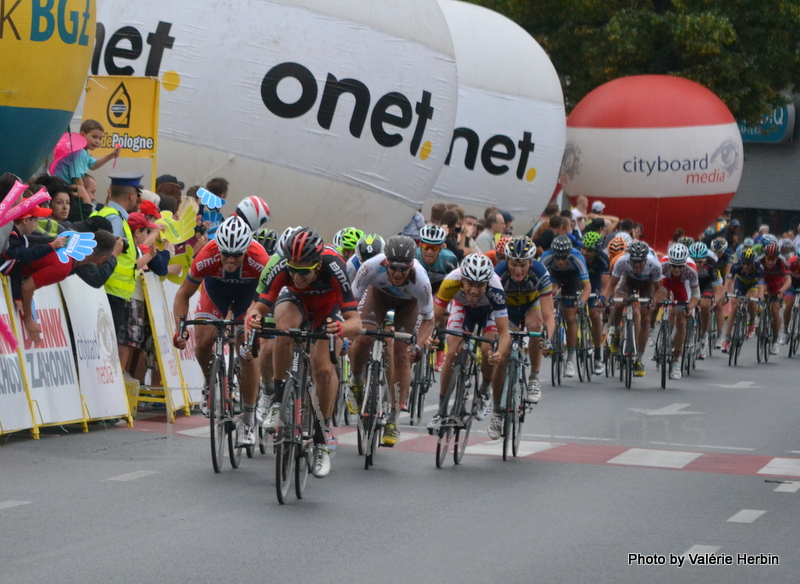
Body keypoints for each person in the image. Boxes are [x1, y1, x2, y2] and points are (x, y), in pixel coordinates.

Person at [247, 227, 361, 478]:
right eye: (293, 269)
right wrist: (255, 318)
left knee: (322, 369)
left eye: (304, 271)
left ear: (318, 265)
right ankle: (278, 401)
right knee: (284, 329)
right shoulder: (283, 267)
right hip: (295, 301)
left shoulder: (334, 266)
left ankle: (320, 441)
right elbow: (260, 306)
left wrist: (340, 327)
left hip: (327, 311)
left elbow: (356, 323)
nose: (297, 275)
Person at [173, 216, 268, 447]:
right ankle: (210, 382)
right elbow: (182, 295)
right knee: (204, 341)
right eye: (225, 253)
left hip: (249, 295)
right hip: (216, 292)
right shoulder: (207, 255)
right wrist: (181, 330)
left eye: (236, 255)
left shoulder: (259, 259)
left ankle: (247, 419)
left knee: (246, 351)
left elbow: (269, 297)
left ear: (246, 250)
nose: (230, 259)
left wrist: (257, 325)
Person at [348, 235, 435, 446]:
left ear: (411, 265)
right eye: (393, 268)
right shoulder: (370, 267)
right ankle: (356, 382)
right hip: (377, 296)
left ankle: (393, 420)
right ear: (385, 262)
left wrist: (418, 345)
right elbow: (349, 305)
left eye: (403, 269)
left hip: (408, 305)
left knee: (403, 354)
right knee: (364, 336)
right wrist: (348, 331)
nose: (397, 273)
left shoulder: (421, 280)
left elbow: (429, 320)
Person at [427, 254, 510, 440]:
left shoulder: (496, 288)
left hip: (488, 313)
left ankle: (484, 390)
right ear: (462, 279)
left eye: (480, 285)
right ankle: (441, 411)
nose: (474, 290)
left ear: (487, 283)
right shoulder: (451, 281)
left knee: (488, 350)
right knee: (453, 352)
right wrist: (427, 338)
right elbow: (433, 318)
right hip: (462, 308)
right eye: (470, 284)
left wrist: (499, 352)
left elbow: (505, 333)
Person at [20, 230, 117, 344]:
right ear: (102, 258)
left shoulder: (68, 237)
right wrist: (28, 320)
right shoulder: (63, 266)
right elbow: (26, 288)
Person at [494, 236, 554, 403]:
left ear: (531, 263)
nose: (518, 270)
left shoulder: (540, 273)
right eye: (513, 264)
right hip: (507, 308)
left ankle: (534, 378)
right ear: (506, 261)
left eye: (523, 265)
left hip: (530, 305)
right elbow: (491, 310)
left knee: (535, 326)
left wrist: (546, 339)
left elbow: (549, 315)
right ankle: (496, 408)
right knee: (503, 351)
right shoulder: (498, 274)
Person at [89, 173, 143, 334]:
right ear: (132, 196)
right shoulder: (115, 218)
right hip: (111, 292)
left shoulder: (103, 213)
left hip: (104, 288)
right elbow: (114, 246)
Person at [603, 240, 662, 377]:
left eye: (640, 261)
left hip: (647, 284)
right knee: (618, 304)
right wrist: (605, 300)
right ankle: (616, 333)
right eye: (634, 261)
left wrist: (653, 302)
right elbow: (611, 286)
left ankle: (639, 360)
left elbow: (659, 289)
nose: (636, 264)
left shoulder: (654, 265)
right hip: (628, 281)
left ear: (645, 259)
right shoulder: (622, 262)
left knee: (646, 317)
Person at [539, 235, 591, 377]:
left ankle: (570, 359)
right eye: (558, 259)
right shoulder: (546, 256)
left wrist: (581, 302)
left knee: (570, 316)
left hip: (572, 279)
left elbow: (587, 286)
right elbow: (538, 281)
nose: (561, 262)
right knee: (552, 290)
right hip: (554, 276)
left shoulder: (577, 257)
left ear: (569, 254)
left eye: (564, 258)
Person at [656, 244, 700, 380]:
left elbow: (696, 294)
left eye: (680, 266)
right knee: (656, 301)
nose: (676, 269)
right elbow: (654, 287)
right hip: (665, 282)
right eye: (673, 266)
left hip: (682, 284)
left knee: (681, 320)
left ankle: (676, 361)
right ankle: (654, 330)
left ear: (684, 264)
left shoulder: (691, 270)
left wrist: (689, 307)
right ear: (669, 262)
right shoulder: (661, 266)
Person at [51, 120, 120, 199]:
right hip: (61, 188)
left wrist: (110, 156)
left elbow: (93, 165)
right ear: (83, 134)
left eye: (100, 138)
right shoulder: (80, 153)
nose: (97, 141)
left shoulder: (84, 152)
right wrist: (85, 197)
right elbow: (76, 178)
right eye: (94, 137)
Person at [721, 248, 765, 353]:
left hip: (753, 285)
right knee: (735, 307)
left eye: (748, 264)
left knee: (751, 301)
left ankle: (752, 323)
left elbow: (761, 287)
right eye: (744, 263)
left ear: (753, 263)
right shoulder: (736, 266)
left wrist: (760, 300)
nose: (745, 266)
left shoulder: (759, 268)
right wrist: (724, 294)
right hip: (740, 284)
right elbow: (728, 282)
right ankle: (727, 339)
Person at [580, 231, 610, 374]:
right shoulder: (578, 256)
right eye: (584, 248)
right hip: (578, 282)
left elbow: (605, 286)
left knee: (595, 315)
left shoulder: (602, 259)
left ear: (597, 251)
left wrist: (602, 299)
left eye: (589, 251)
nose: (585, 252)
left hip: (595, 284)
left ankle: (598, 356)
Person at [688, 241, 719, 358]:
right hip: (691, 283)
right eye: (694, 261)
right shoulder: (686, 263)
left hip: (706, 284)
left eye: (700, 261)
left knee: (705, 306)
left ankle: (703, 335)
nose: (697, 264)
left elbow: (718, 287)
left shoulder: (712, 263)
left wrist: (714, 300)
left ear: (705, 259)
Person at [759, 243, 791, 355]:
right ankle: (759, 319)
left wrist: (781, 291)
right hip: (764, 283)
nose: (770, 262)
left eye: (773, 259)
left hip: (777, 285)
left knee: (775, 310)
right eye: (768, 258)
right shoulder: (760, 261)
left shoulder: (782, 262)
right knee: (758, 300)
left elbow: (788, 280)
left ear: (777, 258)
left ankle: (775, 340)